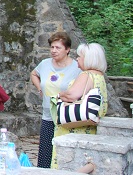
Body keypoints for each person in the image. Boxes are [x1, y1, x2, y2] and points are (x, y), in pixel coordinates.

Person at [50, 42, 107, 169]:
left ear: (88, 59)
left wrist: (59, 95)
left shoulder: (86, 75)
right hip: (89, 128)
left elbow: (72, 95)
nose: (77, 58)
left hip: (74, 127)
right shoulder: (99, 76)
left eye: (80, 56)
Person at [30, 31, 80, 168]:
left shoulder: (77, 67)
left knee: (63, 155)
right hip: (48, 115)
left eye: (58, 48)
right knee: (45, 155)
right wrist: (40, 88)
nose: (53, 51)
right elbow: (34, 74)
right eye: (52, 47)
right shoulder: (45, 64)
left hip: (66, 116)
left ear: (67, 49)